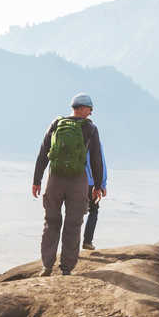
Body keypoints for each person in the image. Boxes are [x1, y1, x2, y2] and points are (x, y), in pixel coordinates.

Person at [32, 93, 107, 276]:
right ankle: (66, 269)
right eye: (89, 109)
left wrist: (37, 180)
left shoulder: (57, 124)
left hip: (55, 179)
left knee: (51, 222)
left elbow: (43, 152)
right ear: (82, 108)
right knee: (73, 224)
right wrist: (98, 185)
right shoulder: (90, 128)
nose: (90, 113)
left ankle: (47, 266)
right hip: (77, 180)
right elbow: (96, 158)